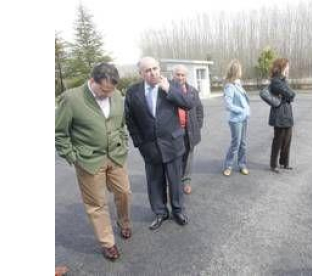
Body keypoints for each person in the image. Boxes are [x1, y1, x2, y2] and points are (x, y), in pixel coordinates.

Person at [55, 63, 132, 261]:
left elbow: (121, 124)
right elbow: (60, 133)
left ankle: (123, 222)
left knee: (124, 192)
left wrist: (123, 141)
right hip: (88, 161)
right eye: (104, 90)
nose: (108, 94)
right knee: (97, 204)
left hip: (116, 155)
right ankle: (108, 243)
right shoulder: (71, 98)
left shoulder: (115, 95)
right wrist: (72, 156)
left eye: (111, 90)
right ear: (92, 80)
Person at [124, 57, 195, 231]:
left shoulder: (172, 85)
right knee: (155, 182)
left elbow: (188, 104)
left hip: (172, 143)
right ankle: (160, 212)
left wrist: (170, 89)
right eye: (148, 70)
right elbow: (130, 119)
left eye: (155, 68)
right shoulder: (133, 92)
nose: (153, 72)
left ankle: (178, 210)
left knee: (175, 181)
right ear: (140, 73)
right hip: (149, 147)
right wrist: (139, 143)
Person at [172, 64, 204, 195]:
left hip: (190, 130)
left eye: (183, 75)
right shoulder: (167, 90)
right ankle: (174, 182)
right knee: (175, 158)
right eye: (177, 74)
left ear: (186, 76)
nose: (180, 77)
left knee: (188, 157)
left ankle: (186, 181)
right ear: (173, 75)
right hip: (174, 132)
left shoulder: (192, 91)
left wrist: (198, 125)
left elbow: (199, 110)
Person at [222, 59, 250, 176]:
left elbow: (243, 100)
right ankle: (228, 166)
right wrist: (241, 110)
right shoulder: (230, 86)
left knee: (243, 143)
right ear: (236, 71)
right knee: (235, 144)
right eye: (240, 69)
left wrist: (246, 111)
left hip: (243, 118)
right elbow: (228, 105)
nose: (241, 71)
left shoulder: (238, 84)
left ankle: (242, 164)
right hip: (235, 120)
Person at [268, 58, 296, 173]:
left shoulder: (283, 80)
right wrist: (287, 95)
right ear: (281, 67)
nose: (289, 68)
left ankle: (284, 163)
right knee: (278, 140)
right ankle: (273, 164)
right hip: (279, 115)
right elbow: (291, 94)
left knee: (287, 140)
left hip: (287, 114)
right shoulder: (276, 81)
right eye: (287, 66)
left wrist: (287, 94)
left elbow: (291, 95)